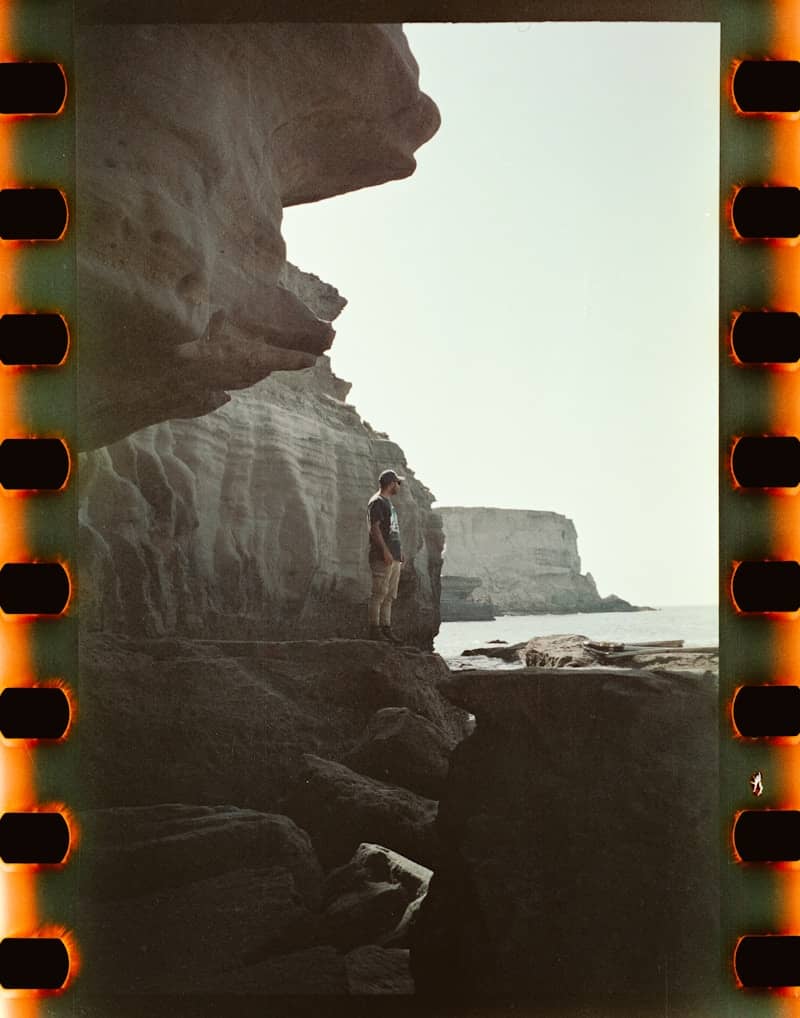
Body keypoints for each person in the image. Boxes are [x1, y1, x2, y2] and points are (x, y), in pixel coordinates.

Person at [366, 469, 406, 643]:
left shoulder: (388, 503)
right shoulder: (377, 502)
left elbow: (392, 531)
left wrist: (398, 551)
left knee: (389, 595)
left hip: (393, 556)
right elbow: (374, 528)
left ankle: (386, 628)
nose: (399, 486)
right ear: (391, 484)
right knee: (379, 593)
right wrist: (385, 551)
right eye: (398, 483)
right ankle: (374, 630)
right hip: (382, 556)